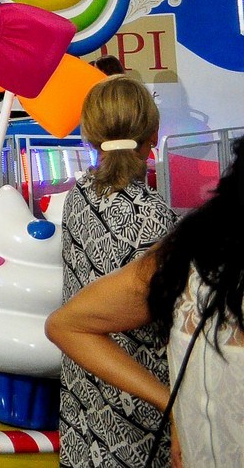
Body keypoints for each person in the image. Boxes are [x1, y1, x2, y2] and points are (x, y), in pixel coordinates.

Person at [47, 135, 244, 468]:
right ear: (151, 137)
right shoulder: (154, 214)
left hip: (93, 394)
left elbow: (67, 321)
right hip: (138, 414)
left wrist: (174, 404)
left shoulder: (78, 194)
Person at [56, 77, 175, 468]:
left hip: (84, 386)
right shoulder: (159, 220)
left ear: (90, 136)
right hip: (142, 399)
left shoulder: (79, 193)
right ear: (154, 135)